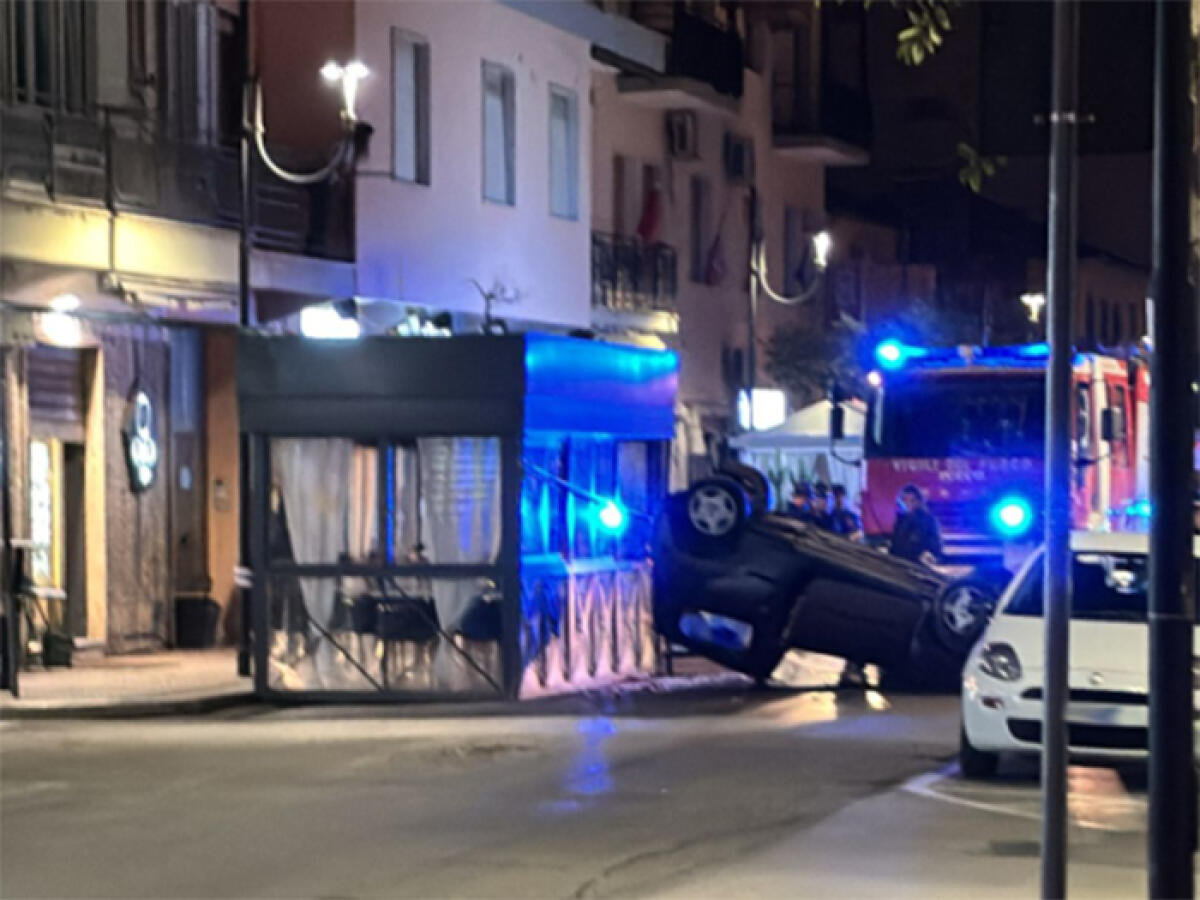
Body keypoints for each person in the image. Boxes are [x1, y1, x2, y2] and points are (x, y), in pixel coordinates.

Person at [890, 484, 942, 566]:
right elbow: (895, 545)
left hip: (918, 566)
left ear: (918, 501)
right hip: (899, 565)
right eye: (904, 500)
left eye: (911, 501)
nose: (907, 504)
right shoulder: (900, 520)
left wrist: (929, 554)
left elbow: (935, 547)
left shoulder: (928, 520)